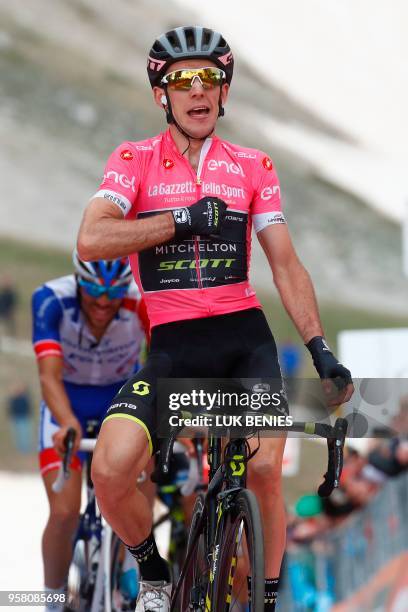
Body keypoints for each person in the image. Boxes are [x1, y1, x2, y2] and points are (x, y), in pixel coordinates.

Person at [77, 26, 354, 611]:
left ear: (223, 92)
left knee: (267, 472)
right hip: (175, 347)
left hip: (243, 340)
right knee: (109, 469)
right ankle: (153, 571)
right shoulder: (135, 160)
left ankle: (267, 597)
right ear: (163, 94)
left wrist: (320, 348)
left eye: (210, 79)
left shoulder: (253, 165)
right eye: (183, 80)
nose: (198, 90)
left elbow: (285, 264)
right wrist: (179, 219)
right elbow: (94, 237)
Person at [31, 251, 148, 611]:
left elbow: (161, 363)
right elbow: (48, 376)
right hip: (66, 404)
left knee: (146, 473)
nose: (102, 302)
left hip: (121, 402)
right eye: (93, 291)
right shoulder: (50, 299)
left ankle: (131, 567)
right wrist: (66, 421)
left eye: (112, 294)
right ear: (78, 281)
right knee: (65, 512)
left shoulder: (141, 301)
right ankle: (52, 600)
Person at [6, 382, 34, 454]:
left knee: (24, 433)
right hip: (16, 418)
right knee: (18, 434)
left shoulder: (25, 398)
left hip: (24, 417)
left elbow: (29, 407)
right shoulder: (14, 399)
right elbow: (10, 408)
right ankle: (21, 448)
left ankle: (26, 448)